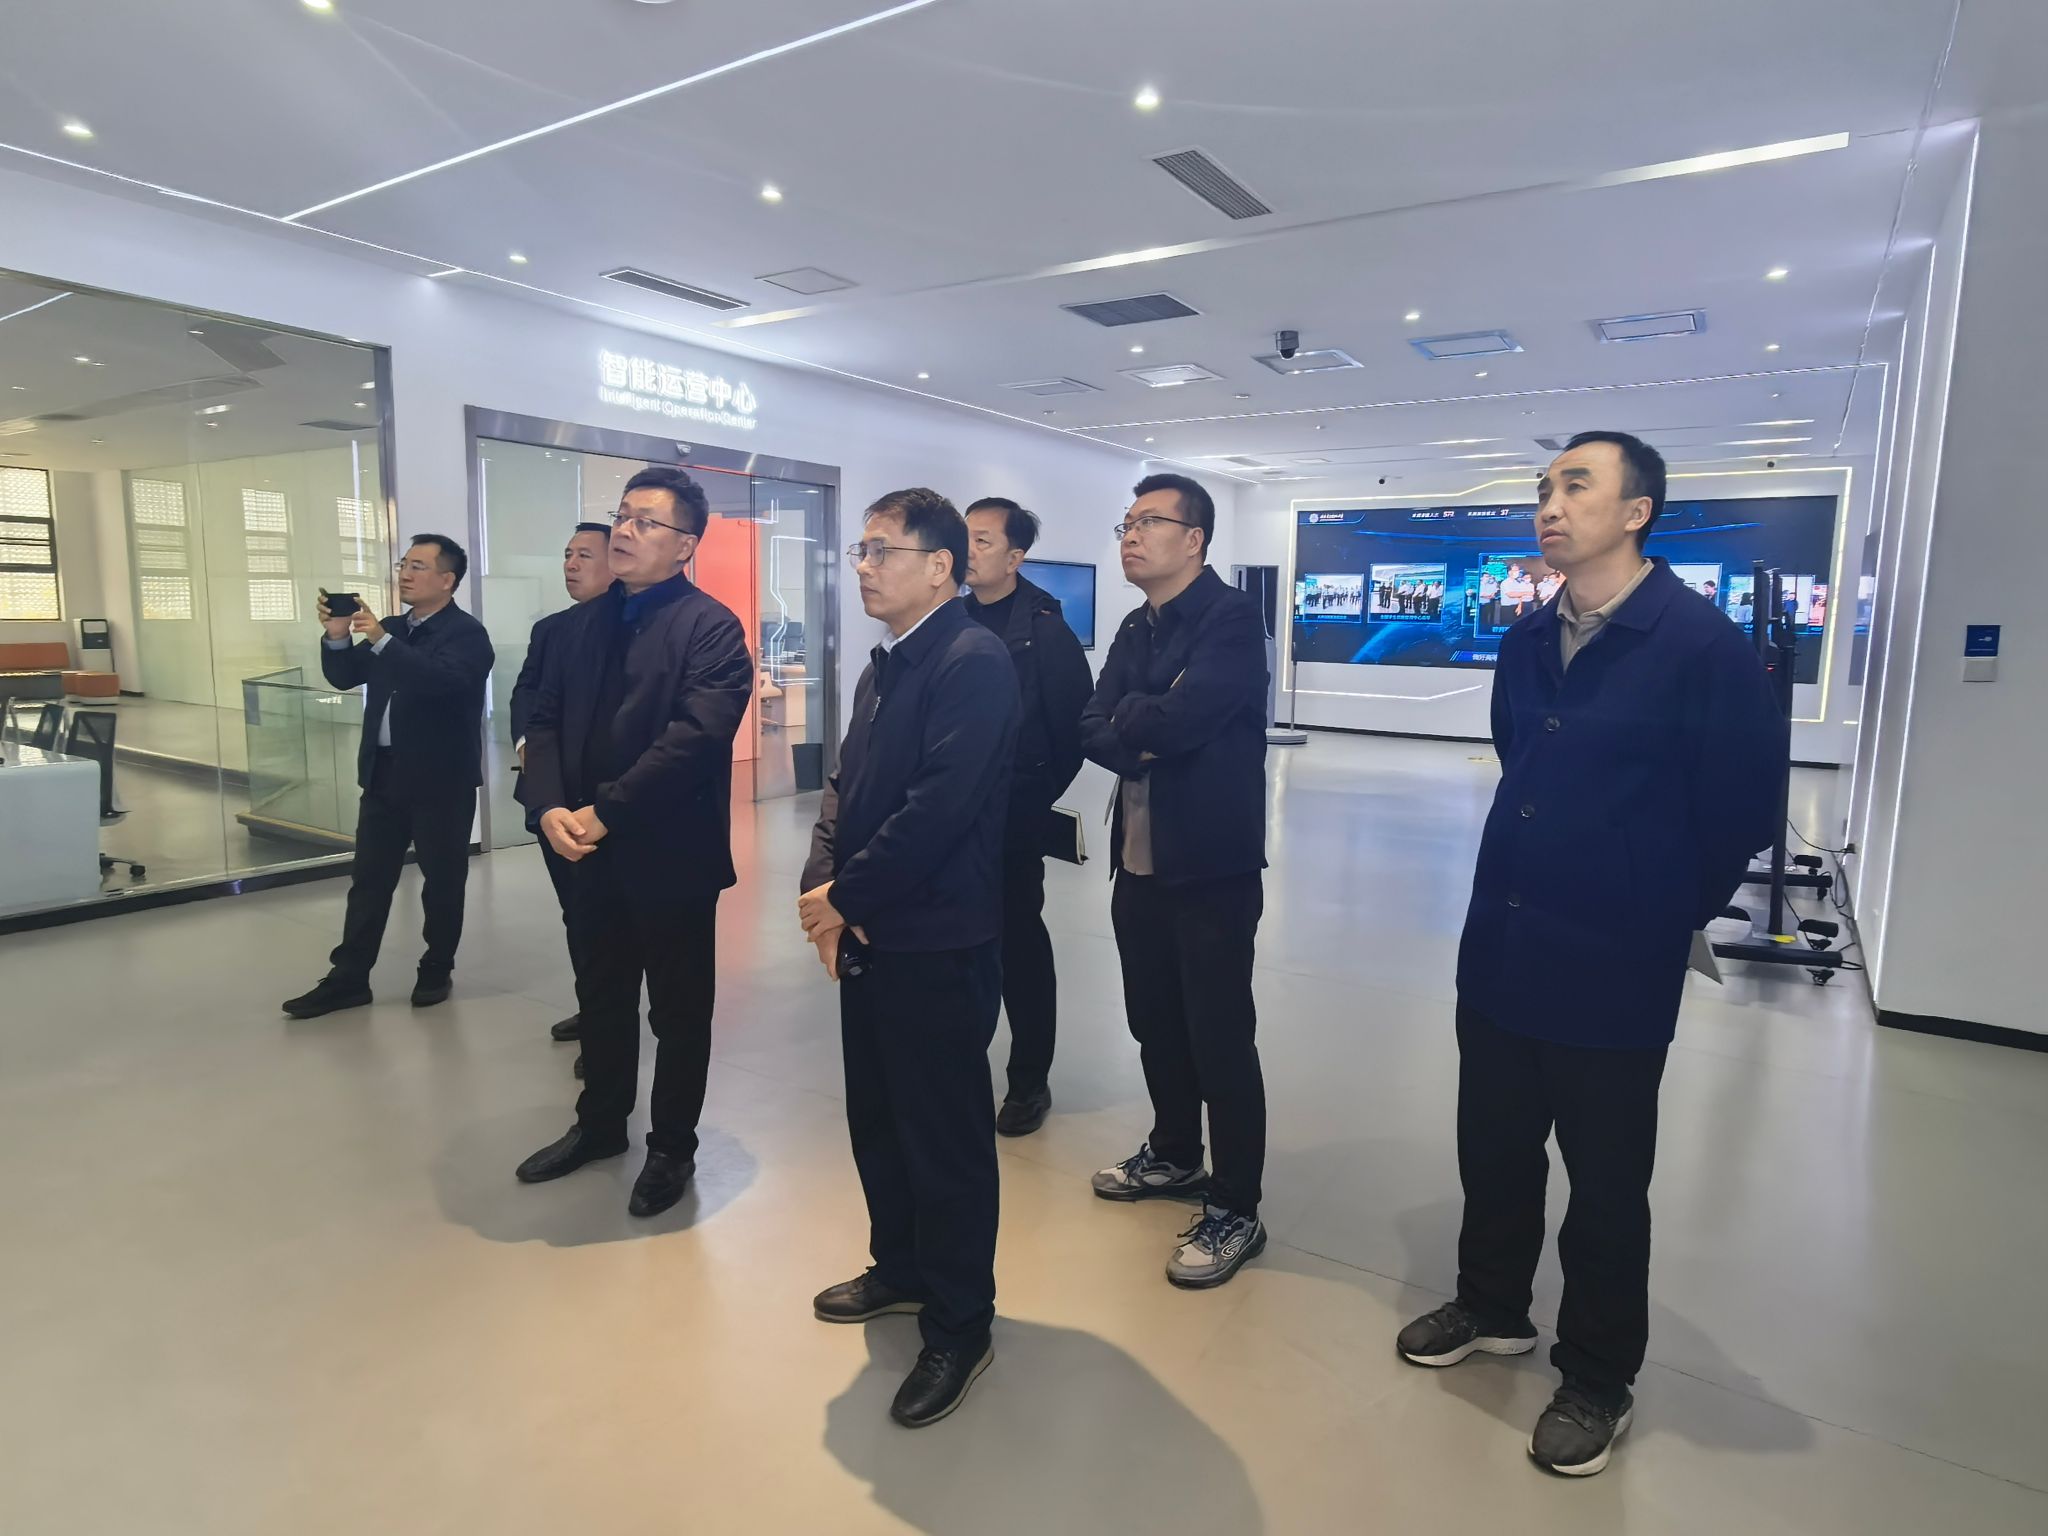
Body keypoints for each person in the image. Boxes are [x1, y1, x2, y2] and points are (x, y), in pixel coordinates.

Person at [1395, 431, 1784, 1477]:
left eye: (1576, 485)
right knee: (1493, 1146)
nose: (1550, 504)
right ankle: (1490, 1305)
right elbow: (1518, 755)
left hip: (1614, 960)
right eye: (1544, 487)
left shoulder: (1696, 645)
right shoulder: (1528, 638)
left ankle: (1598, 1374)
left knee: (1606, 1183)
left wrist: (1659, 908)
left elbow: (1740, 804)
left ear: (1636, 511)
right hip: (1503, 939)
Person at [799, 488, 1020, 1429]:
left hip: (937, 940)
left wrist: (844, 899)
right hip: (870, 935)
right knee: (879, 1119)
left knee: (945, 1141)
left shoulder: (974, 662)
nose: (862, 566)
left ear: (939, 567)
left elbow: (937, 810)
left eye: (881, 550)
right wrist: (823, 886)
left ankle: (961, 1324)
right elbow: (844, 787)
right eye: (860, 549)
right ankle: (901, 1267)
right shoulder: (885, 664)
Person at [514, 467, 753, 1218]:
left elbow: (696, 738)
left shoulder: (711, 629)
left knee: (678, 1011)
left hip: (669, 855)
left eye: (646, 521)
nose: (624, 530)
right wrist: (549, 805)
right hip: (583, 848)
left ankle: (672, 1147)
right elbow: (541, 722)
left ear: (686, 546)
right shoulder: (575, 627)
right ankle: (600, 1125)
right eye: (622, 515)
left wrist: (607, 810)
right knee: (601, 994)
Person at [1083, 473, 1271, 1290]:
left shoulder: (1231, 619)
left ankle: (1236, 1204)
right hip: (1137, 862)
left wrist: (1141, 716)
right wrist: (1143, 722)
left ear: (1193, 540)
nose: (1130, 535)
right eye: (1125, 523)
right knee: (1153, 1020)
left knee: (1219, 1037)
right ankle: (1173, 1152)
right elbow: (1091, 722)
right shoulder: (1137, 624)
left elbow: (1190, 719)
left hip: (1211, 868)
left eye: (1149, 522)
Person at [283, 535, 494, 1019]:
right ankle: (349, 977)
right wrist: (337, 634)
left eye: (418, 566)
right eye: (404, 564)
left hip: (440, 780)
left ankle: (436, 967)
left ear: (447, 579)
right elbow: (345, 675)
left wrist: (381, 640)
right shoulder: (395, 628)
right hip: (384, 774)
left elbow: (437, 681)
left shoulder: (466, 634)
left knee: (442, 881)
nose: (405, 574)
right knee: (369, 880)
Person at [961, 496, 1093, 1137]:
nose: (968, 550)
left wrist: (1029, 800)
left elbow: (1074, 732)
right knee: (959, 948)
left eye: (983, 541)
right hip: (949, 819)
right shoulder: (946, 617)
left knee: (1018, 947)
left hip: (1012, 819)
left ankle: (1028, 1081)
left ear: (1015, 557)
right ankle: (961, 1071)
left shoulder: (1046, 633)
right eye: (963, 537)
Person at [510, 521, 613, 1072]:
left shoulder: (632, 632)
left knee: (605, 920)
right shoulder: (550, 630)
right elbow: (526, 694)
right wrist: (528, 746)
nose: (571, 565)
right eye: (567, 555)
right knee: (576, 915)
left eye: (585, 556)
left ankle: (608, 1023)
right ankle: (594, 1008)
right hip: (552, 798)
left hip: (606, 805)